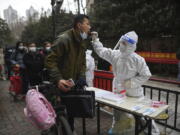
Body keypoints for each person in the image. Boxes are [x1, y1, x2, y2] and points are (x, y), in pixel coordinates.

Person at [91, 31, 160, 135]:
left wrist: (131, 83)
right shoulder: (115, 54)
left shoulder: (138, 59)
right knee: (118, 113)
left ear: (131, 45)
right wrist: (96, 40)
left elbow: (146, 74)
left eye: (124, 43)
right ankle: (117, 131)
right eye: (121, 42)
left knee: (141, 114)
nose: (122, 45)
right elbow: (102, 51)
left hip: (134, 93)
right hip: (118, 90)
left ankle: (153, 133)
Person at [45, 14, 91, 132]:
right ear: (79, 25)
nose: (89, 27)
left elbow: (82, 61)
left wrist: (81, 76)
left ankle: (68, 129)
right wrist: (58, 79)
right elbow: (50, 61)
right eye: (87, 24)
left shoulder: (81, 41)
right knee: (57, 114)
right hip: (60, 83)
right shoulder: (64, 39)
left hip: (72, 83)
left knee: (70, 113)